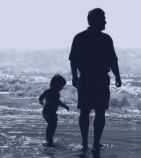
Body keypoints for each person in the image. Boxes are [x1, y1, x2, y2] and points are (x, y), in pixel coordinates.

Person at [69, 8, 122, 152]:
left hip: (89, 78)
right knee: (94, 111)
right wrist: (117, 76)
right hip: (94, 78)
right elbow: (74, 59)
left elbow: (112, 60)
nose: (105, 21)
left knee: (90, 111)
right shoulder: (91, 38)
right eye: (103, 18)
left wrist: (117, 75)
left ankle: (88, 142)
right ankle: (91, 142)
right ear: (95, 20)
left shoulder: (89, 37)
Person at [39, 74, 69, 147]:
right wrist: (65, 106)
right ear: (57, 85)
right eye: (61, 86)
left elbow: (41, 97)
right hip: (51, 112)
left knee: (50, 125)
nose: (62, 88)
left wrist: (41, 102)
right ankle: (49, 139)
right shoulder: (56, 93)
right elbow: (57, 102)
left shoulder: (47, 91)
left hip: (45, 111)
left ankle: (48, 138)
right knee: (53, 125)